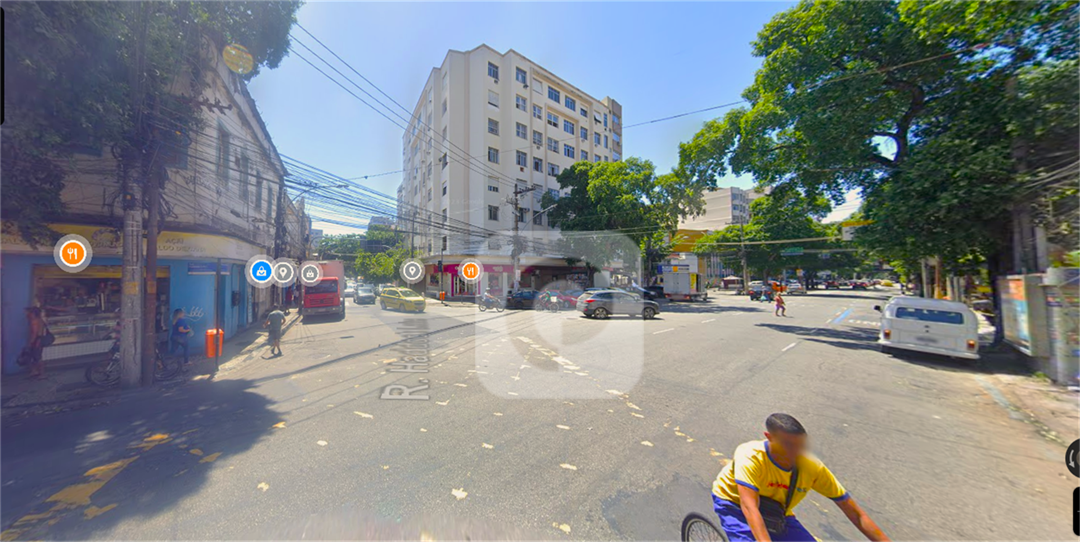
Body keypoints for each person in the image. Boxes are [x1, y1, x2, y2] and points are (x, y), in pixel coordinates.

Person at [712, 414, 891, 542]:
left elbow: (856, 514)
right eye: (788, 445)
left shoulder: (811, 467)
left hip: (775, 511)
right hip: (734, 504)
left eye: (800, 446)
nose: (795, 452)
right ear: (769, 438)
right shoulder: (751, 456)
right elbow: (749, 507)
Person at [24, 307, 47, 379]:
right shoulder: (40, 320)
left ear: (33, 313)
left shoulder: (34, 321)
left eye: (29, 312)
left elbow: (34, 333)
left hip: (36, 341)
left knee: (37, 357)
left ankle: (42, 374)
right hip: (39, 340)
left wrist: (30, 343)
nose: (27, 313)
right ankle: (35, 371)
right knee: (35, 356)